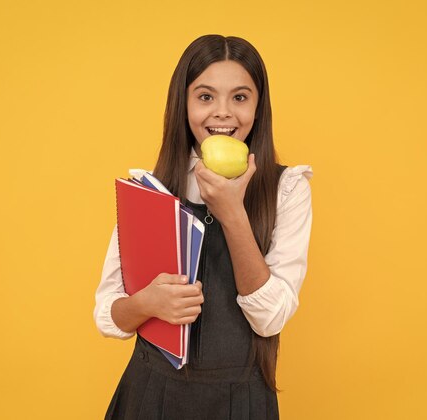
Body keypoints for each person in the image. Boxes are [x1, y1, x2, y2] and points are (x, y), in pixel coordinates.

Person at [94, 34, 312, 419]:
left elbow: (271, 317)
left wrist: (232, 212)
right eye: (206, 96)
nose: (223, 113)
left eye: (240, 97)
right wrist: (147, 303)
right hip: (151, 396)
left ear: (259, 108)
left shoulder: (287, 189)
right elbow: (109, 316)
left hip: (240, 402)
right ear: (185, 104)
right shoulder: (151, 189)